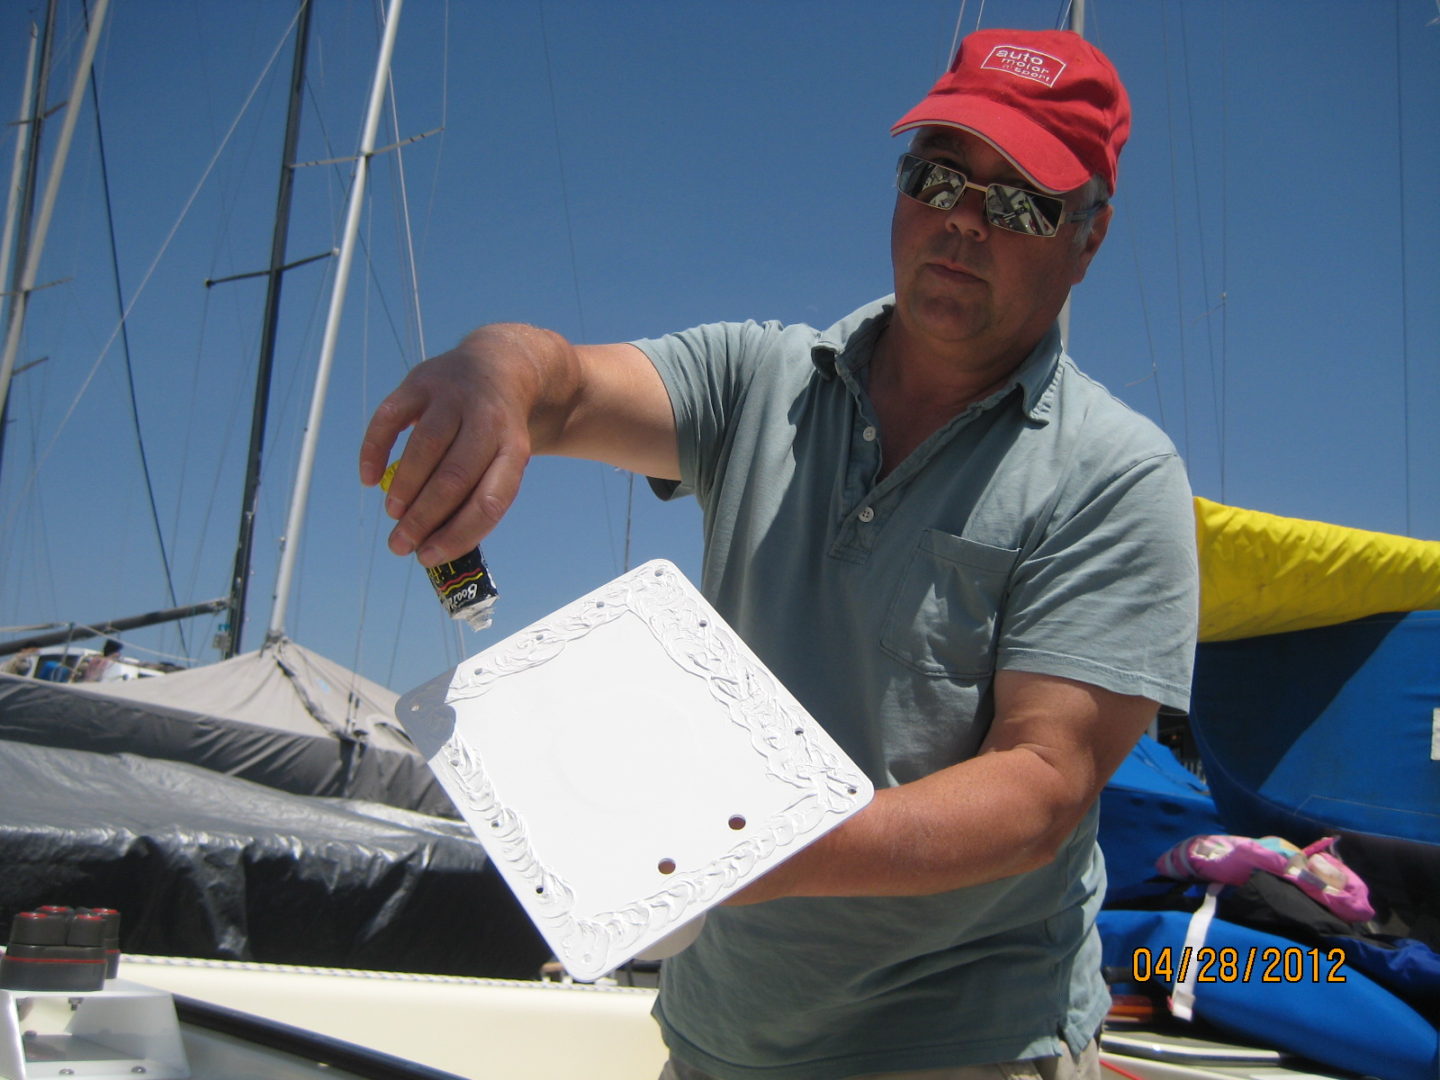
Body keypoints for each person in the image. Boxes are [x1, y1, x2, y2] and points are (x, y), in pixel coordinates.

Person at [361, 28, 1197, 1080]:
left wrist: (731, 848)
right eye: (940, 175)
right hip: (716, 1039)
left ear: (1091, 236)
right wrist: (493, 376)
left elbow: (1042, 788)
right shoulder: (759, 379)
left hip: (959, 1050)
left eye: (1022, 200)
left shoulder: (1116, 475)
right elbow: (563, 383)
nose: (964, 222)